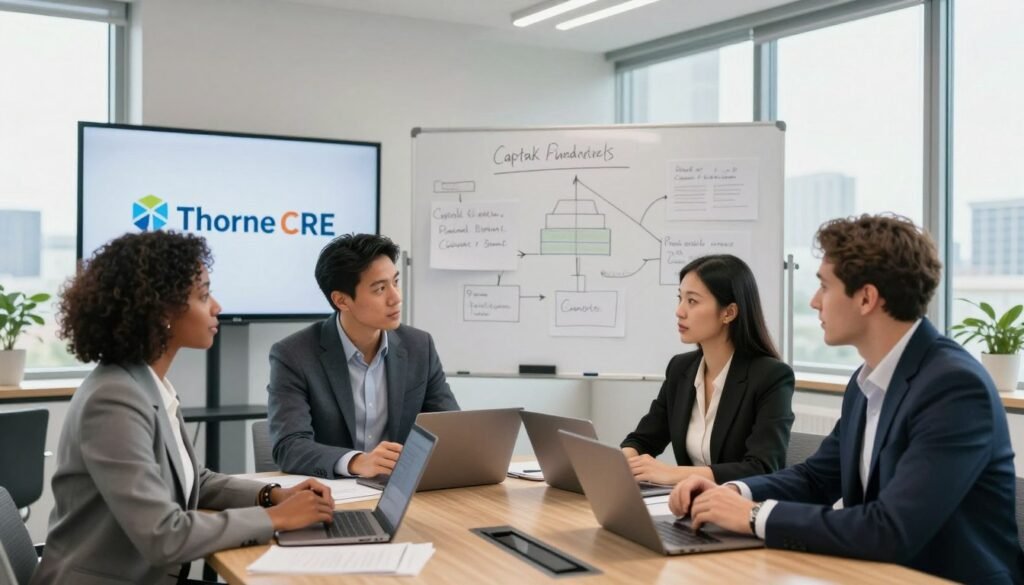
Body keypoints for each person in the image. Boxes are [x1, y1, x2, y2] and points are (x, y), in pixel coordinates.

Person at [669, 215, 1024, 583]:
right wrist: (731, 492)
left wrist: (754, 515)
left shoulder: (953, 388)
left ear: (866, 298)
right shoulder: (866, 381)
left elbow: (890, 530)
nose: (814, 301)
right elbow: (816, 479)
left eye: (825, 286)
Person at [32, 231, 334, 585]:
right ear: (162, 312)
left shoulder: (147, 384)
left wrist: (271, 495)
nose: (217, 306)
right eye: (204, 295)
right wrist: (276, 518)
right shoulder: (113, 400)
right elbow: (164, 535)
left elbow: (196, 481)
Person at [267, 233, 459, 479]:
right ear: (341, 300)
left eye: (395, 282)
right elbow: (289, 446)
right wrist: (357, 462)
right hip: (330, 494)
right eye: (380, 289)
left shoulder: (419, 346)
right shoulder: (294, 354)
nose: (396, 297)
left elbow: (450, 429)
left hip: (399, 492)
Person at [620, 254, 795, 486]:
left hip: (738, 511)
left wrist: (674, 474)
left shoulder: (771, 377)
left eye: (692, 301)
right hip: (689, 505)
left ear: (729, 313)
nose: (679, 311)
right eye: (680, 298)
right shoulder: (680, 369)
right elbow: (643, 440)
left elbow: (761, 467)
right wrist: (617, 464)